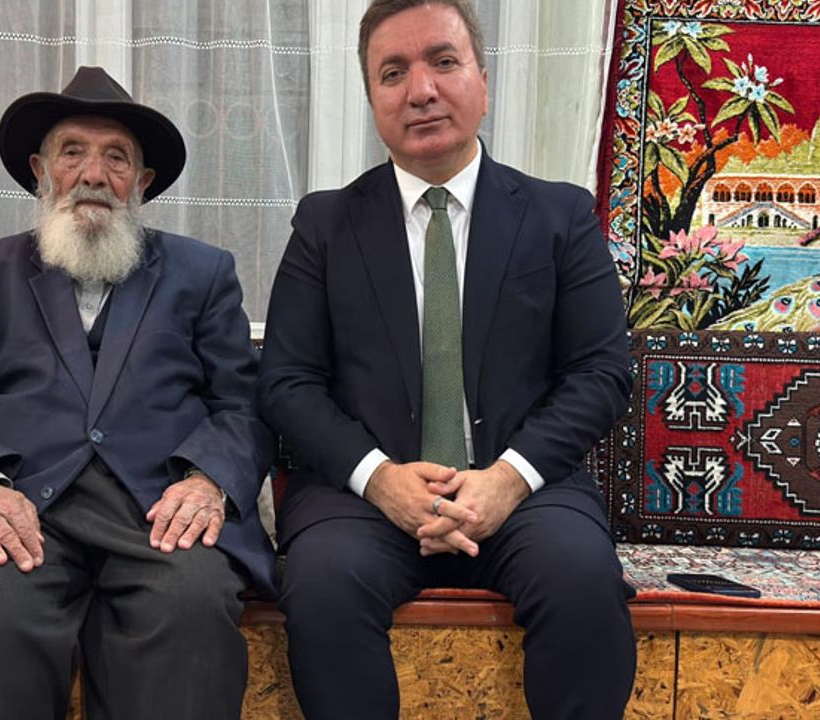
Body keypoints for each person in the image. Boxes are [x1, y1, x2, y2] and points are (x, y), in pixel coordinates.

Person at [258, 2, 635, 718]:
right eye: (392, 73)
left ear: (483, 82)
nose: (421, 90)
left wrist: (507, 479)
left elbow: (601, 373)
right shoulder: (325, 224)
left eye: (443, 62)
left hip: (523, 489)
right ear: (372, 99)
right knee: (323, 585)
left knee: (582, 578)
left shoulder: (559, 216)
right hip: (364, 499)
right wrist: (380, 479)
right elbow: (286, 382)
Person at [0, 66, 276, 720]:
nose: (94, 174)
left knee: (190, 609)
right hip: (25, 509)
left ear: (142, 183)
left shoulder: (202, 273)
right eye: (72, 152)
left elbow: (241, 406)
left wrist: (207, 481)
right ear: (40, 170)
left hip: (159, 512)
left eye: (117, 158)